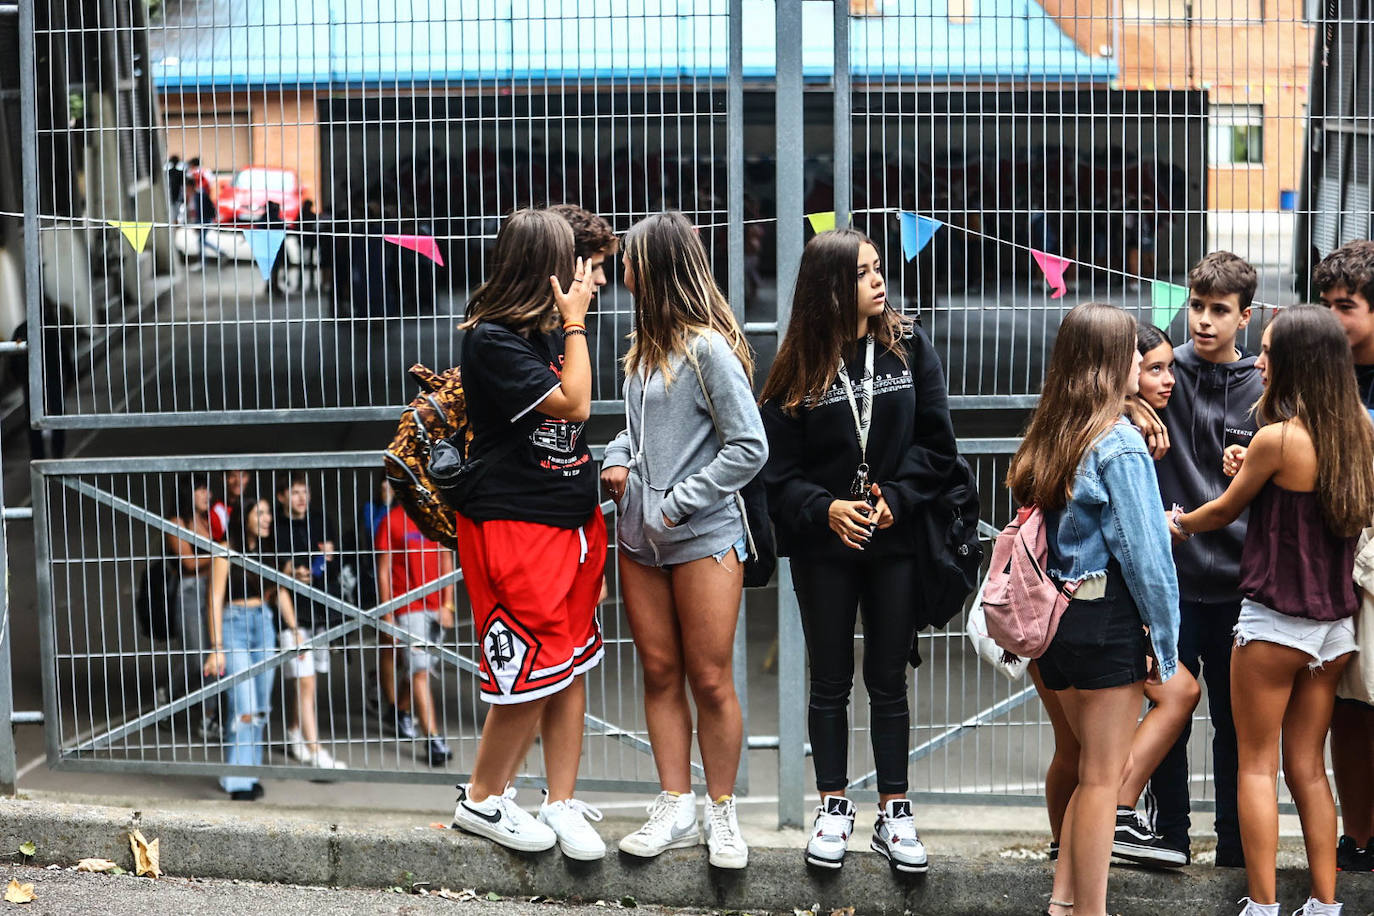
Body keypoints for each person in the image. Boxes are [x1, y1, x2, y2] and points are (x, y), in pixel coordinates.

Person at [756, 228, 955, 873]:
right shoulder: (795, 366)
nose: (879, 280)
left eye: (879, 268)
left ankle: (895, 811)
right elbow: (777, 474)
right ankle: (833, 805)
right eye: (864, 272)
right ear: (831, 288)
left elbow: (937, 445)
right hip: (826, 547)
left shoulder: (909, 347)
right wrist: (826, 510)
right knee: (831, 679)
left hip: (894, 540)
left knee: (888, 678)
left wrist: (897, 495)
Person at [1171, 305, 1373, 916]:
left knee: (1256, 767)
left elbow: (1222, 512)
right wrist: (1247, 468)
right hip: (1334, 629)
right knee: (1310, 769)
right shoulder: (1362, 432)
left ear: (1298, 365)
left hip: (1273, 623)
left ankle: (1261, 905)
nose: (1259, 362)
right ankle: (1325, 902)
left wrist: (1174, 523)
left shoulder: (1278, 438)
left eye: (1269, 353)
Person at [601, 211, 766, 871]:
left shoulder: (708, 349)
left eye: (630, 258)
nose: (621, 268)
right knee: (661, 672)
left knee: (710, 677)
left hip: (703, 535)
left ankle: (719, 813)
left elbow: (749, 446)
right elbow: (638, 432)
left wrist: (681, 500)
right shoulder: (642, 348)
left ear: (657, 267)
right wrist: (617, 454)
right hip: (639, 538)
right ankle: (674, 802)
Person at [1008, 302, 1180, 916]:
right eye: (1133, 351)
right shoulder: (1119, 443)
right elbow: (1147, 559)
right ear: (1111, 361)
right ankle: (1092, 912)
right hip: (1105, 621)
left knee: (1088, 772)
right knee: (1105, 782)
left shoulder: (1053, 429)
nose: (1142, 359)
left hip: (1055, 626)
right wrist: (1165, 644)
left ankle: (1062, 903)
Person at [448, 208, 606, 860]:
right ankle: (483, 799)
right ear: (546, 268)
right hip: (516, 524)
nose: (590, 279)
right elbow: (574, 404)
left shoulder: (546, 332)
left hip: (569, 517)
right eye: (577, 263)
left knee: (568, 664)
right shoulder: (493, 340)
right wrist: (574, 322)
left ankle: (560, 802)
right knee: (529, 670)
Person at [1139, 251, 1261, 867]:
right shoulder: (1163, 373)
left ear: (1246, 317)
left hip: (1245, 586)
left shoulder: (1266, 384)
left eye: (1219, 311)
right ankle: (1170, 842)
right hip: (1173, 581)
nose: (1204, 321)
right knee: (1171, 714)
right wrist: (1136, 405)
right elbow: (1099, 398)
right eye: (1197, 306)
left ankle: (1237, 855)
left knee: (1238, 730)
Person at [1313, 239, 1374, 872]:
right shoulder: (1323, 372)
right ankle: (1359, 839)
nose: (1333, 318)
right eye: (1326, 304)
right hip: (1334, 563)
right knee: (1347, 708)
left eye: (1347, 306)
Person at [203, 496, 300, 801]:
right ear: (244, 517)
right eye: (261, 513)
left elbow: (280, 592)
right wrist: (216, 646)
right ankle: (238, 780)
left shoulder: (270, 551)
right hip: (234, 625)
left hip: (264, 623)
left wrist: (295, 630)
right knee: (242, 705)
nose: (268, 518)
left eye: (269, 512)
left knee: (259, 705)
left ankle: (250, 771)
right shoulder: (225, 550)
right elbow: (214, 600)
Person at [274, 472, 346, 770]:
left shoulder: (321, 520)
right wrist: (291, 572)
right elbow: (271, 568)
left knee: (307, 683)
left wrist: (330, 557)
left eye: (304, 492)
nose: (301, 497)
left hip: (319, 614)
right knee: (306, 683)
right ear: (282, 498)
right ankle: (316, 751)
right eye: (294, 492)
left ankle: (295, 733)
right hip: (291, 616)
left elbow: (341, 562)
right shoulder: (276, 528)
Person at [374, 502, 455, 767]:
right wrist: (387, 612)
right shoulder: (391, 520)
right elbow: (383, 570)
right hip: (407, 605)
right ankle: (433, 739)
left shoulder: (436, 514)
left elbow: (446, 558)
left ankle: (398, 711)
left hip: (436, 605)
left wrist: (448, 604)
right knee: (420, 671)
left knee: (420, 667)